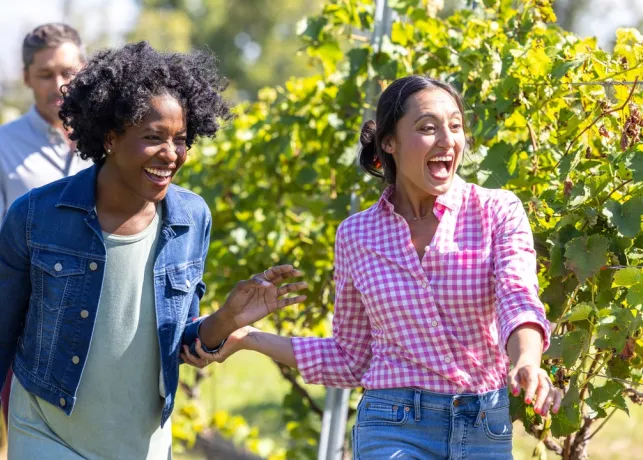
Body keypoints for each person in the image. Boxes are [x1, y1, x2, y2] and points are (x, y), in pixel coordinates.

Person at [198, 76, 563, 459]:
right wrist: (247, 338)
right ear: (389, 142)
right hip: (393, 425)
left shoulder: (497, 211)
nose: (447, 140)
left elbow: (517, 296)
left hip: (483, 424)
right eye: (427, 127)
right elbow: (351, 357)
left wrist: (526, 359)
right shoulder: (357, 235)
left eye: (455, 126)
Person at [0, 41, 307, 459]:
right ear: (110, 137)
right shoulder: (36, 216)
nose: (170, 154)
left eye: (181, 139)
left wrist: (227, 318)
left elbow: (182, 343)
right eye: (153, 137)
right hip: (45, 430)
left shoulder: (190, 217)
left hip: (141, 440)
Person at [0, 22, 92, 431]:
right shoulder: (4, 147)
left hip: (97, 323)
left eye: (69, 72)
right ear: (26, 78)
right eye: (45, 74)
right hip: (24, 326)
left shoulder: (111, 140)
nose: (60, 85)